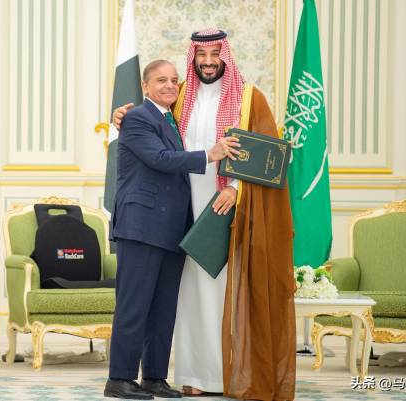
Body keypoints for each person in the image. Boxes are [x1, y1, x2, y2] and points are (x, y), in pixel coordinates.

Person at [114, 29, 296, 401]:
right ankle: (192, 374)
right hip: (175, 212)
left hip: (226, 207)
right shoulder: (180, 97)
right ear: (193, 58)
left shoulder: (249, 98)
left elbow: (270, 158)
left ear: (225, 57)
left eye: (215, 54)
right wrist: (121, 114)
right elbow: (150, 128)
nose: (209, 62)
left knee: (222, 289)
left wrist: (235, 188)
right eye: (202, 55)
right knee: (184, 296)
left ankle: (229, 374)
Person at [104, 59, 240, 400]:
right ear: (145, 86)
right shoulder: (137, 118)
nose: (168, 85)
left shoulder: (172, 119)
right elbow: (161, 159)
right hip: (141, 227)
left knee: (163, 310)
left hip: (171, 229)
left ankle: (154, 377)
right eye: (160, 80)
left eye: (173, 80)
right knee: (134, 306)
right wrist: (210, 155)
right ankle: (119, 379)